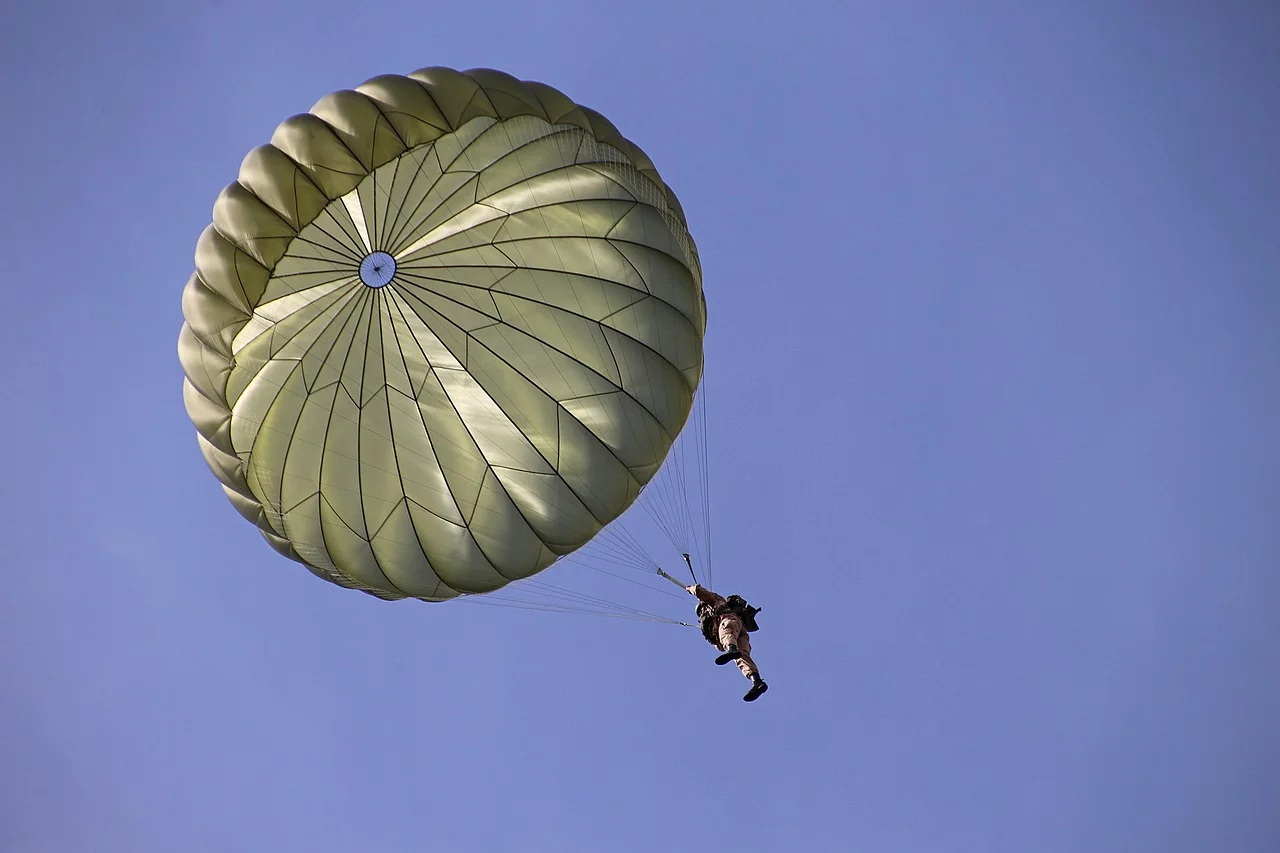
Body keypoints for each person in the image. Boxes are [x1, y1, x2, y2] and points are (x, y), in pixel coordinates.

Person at [686, 583, 768, 701]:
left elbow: (703, 593)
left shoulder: (716, 602)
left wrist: (691, 589)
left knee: (726, 633)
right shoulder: (710, 623)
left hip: (730, 621)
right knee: (742, 657)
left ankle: (732, 649)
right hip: (741, 632)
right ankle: (757, 681)